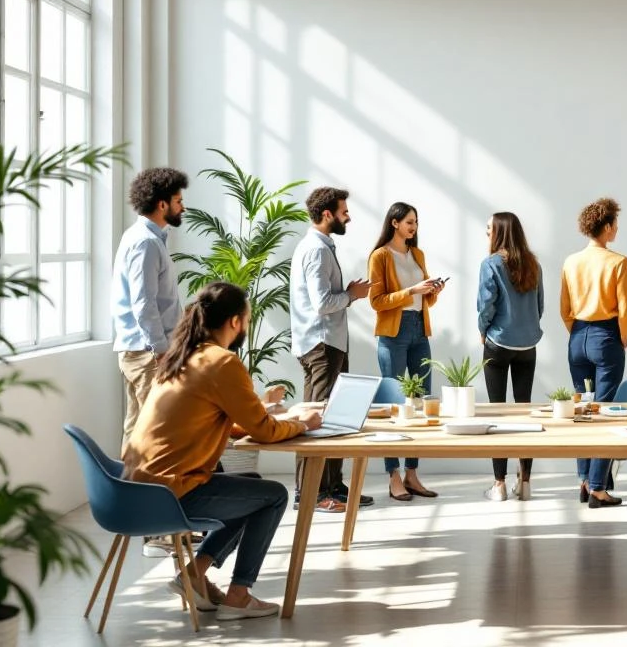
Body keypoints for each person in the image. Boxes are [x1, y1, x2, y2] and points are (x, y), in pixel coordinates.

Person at [123, 282, 323, 621]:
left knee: (253, 484)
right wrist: (303, 424)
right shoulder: (222, 362)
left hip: (139, 488)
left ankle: (196, 573)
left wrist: (266, 419)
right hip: (171, 493)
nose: (247, 325)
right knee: (273, 495)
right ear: (234, 322)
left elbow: (203, 419)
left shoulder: (181, 356)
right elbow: (264, 430)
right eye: (247, 319)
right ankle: (238, 595)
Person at [111, 167, 188, 558]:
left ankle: (135, 516)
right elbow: (143, 306)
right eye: (178, 201)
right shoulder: (144, 242)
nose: (182, 207)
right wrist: (162, 351)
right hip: (146, 353)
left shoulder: (149, 238)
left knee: (136, 435)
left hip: (141, 350)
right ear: (162, 204)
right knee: (154, 438)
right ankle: (155, 531)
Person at [290, 187, 374, 514]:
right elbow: (322, 304)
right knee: (317, 418)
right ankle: (310, 494)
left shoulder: (320, 247)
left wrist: (348, 292)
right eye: (344, 211)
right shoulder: (316, 250)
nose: (348, 216)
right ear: (327, 214)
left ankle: (333, 487)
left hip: (328, 342)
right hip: (321, 344)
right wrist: (352, 294)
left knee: (336, 416)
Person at [561, 197, 627, 509]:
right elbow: (626, 310)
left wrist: (579, 332)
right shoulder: (618, 262)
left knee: (583, 410)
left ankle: (584, 479)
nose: (616, 229)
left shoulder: (571, 261)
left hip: (577, 335)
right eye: (615, 224)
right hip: (606, 335)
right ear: (606, 227)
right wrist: (623, 337)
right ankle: (598, 489)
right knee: (603, 412)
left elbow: (565, 309)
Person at [368, 202, 444, 501]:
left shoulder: (418, 254)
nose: (414, 226)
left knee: (421, 400)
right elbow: (377, 301)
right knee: (395, 404)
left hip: (418, 329)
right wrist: (412, 291)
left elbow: (424, 303)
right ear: (395, 223)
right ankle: (393, 475)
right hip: (393, 334)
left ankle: (412, 473)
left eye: (416, 222)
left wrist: (431, 292)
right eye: (409, 222)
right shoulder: (380, 256)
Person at [477, 212, 544, 501]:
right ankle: (525, 482)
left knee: (497, 410)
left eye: (489, 228)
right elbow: (539, 306)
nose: (486, 232)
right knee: (524, 411)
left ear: (500, 232)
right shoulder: (534, 263)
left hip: (499, 343)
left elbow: (485, 306)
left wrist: (483, 330)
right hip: (527, 345)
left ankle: (499, 484)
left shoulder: (491, 264)